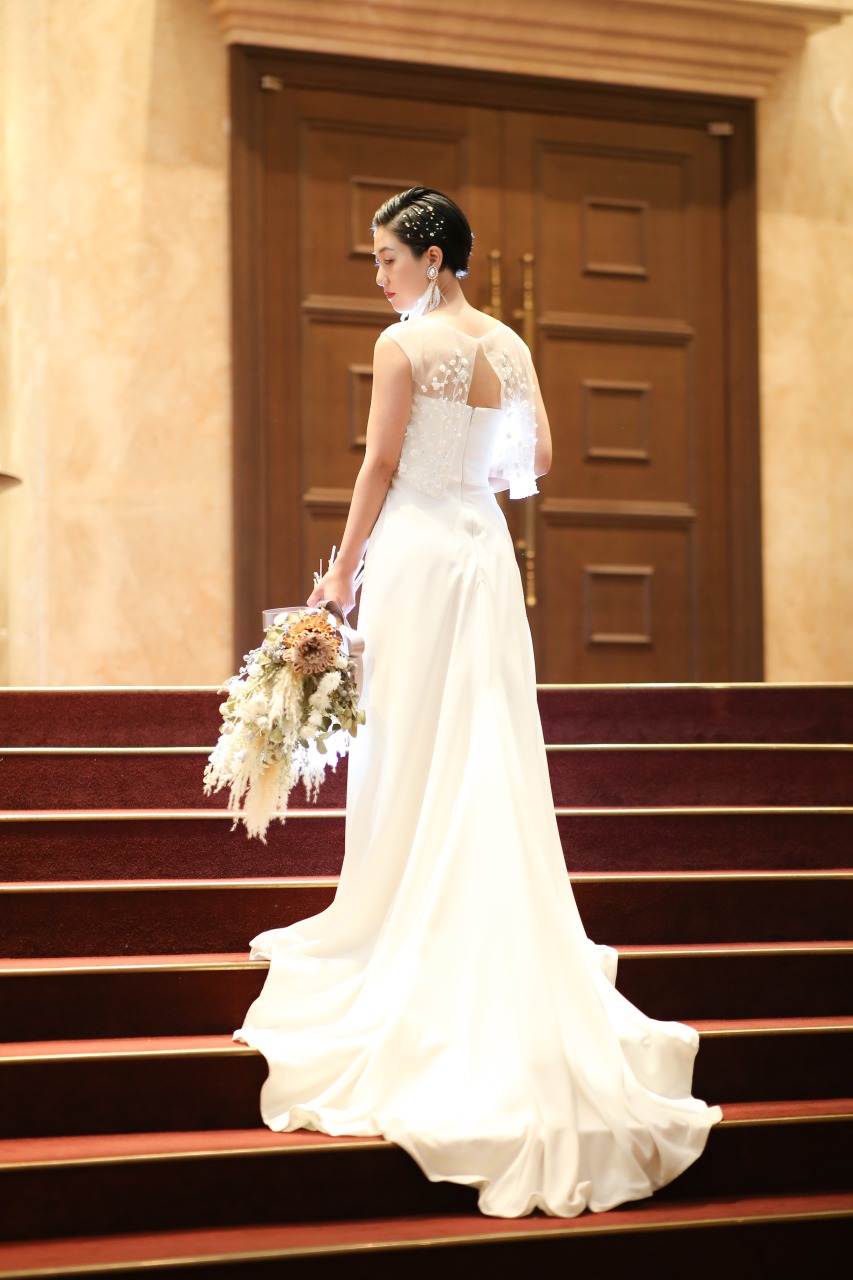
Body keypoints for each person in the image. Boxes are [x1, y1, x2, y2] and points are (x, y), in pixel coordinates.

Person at [235, 187, 722, 1218]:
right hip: (481, 552)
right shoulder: (506, 341)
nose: (379, 277)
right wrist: (463, 470)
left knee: (415, 738)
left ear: (430, 255)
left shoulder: (403, 345)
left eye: (386, 258)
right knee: (484, 732)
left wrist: (340, 576)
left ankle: (402, 917)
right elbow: (533, 461)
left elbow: (377, 464)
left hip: (418, 550)